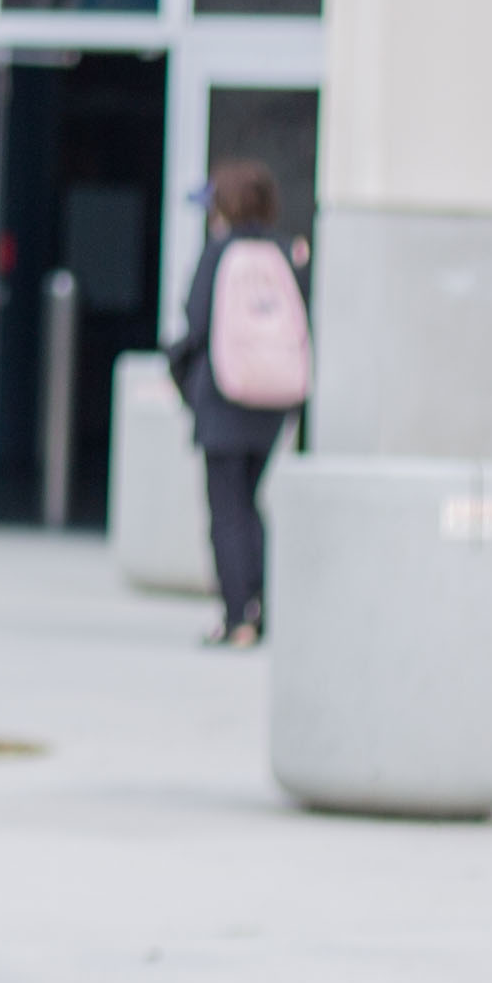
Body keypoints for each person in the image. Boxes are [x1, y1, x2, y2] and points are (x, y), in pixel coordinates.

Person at [161, 161, 309, 649]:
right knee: (249, 504)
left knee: (226, 510)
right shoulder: (285, 251)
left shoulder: (220, 253)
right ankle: (259, 608)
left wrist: (180, 372)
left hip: (224, 397)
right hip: (272, 401)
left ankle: (236, 616)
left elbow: (196, 322)